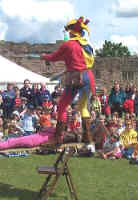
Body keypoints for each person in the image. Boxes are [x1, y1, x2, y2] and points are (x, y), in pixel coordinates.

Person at [42, 16, 95, 146]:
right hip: (88, 76)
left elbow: (54, 57)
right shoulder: (87, 45)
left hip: (75, 78)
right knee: (83, 106)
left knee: (62, 107)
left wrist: (43, 56)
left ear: (72, 31)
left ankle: (57, 138)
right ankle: (87, 137)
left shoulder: (69, 44)